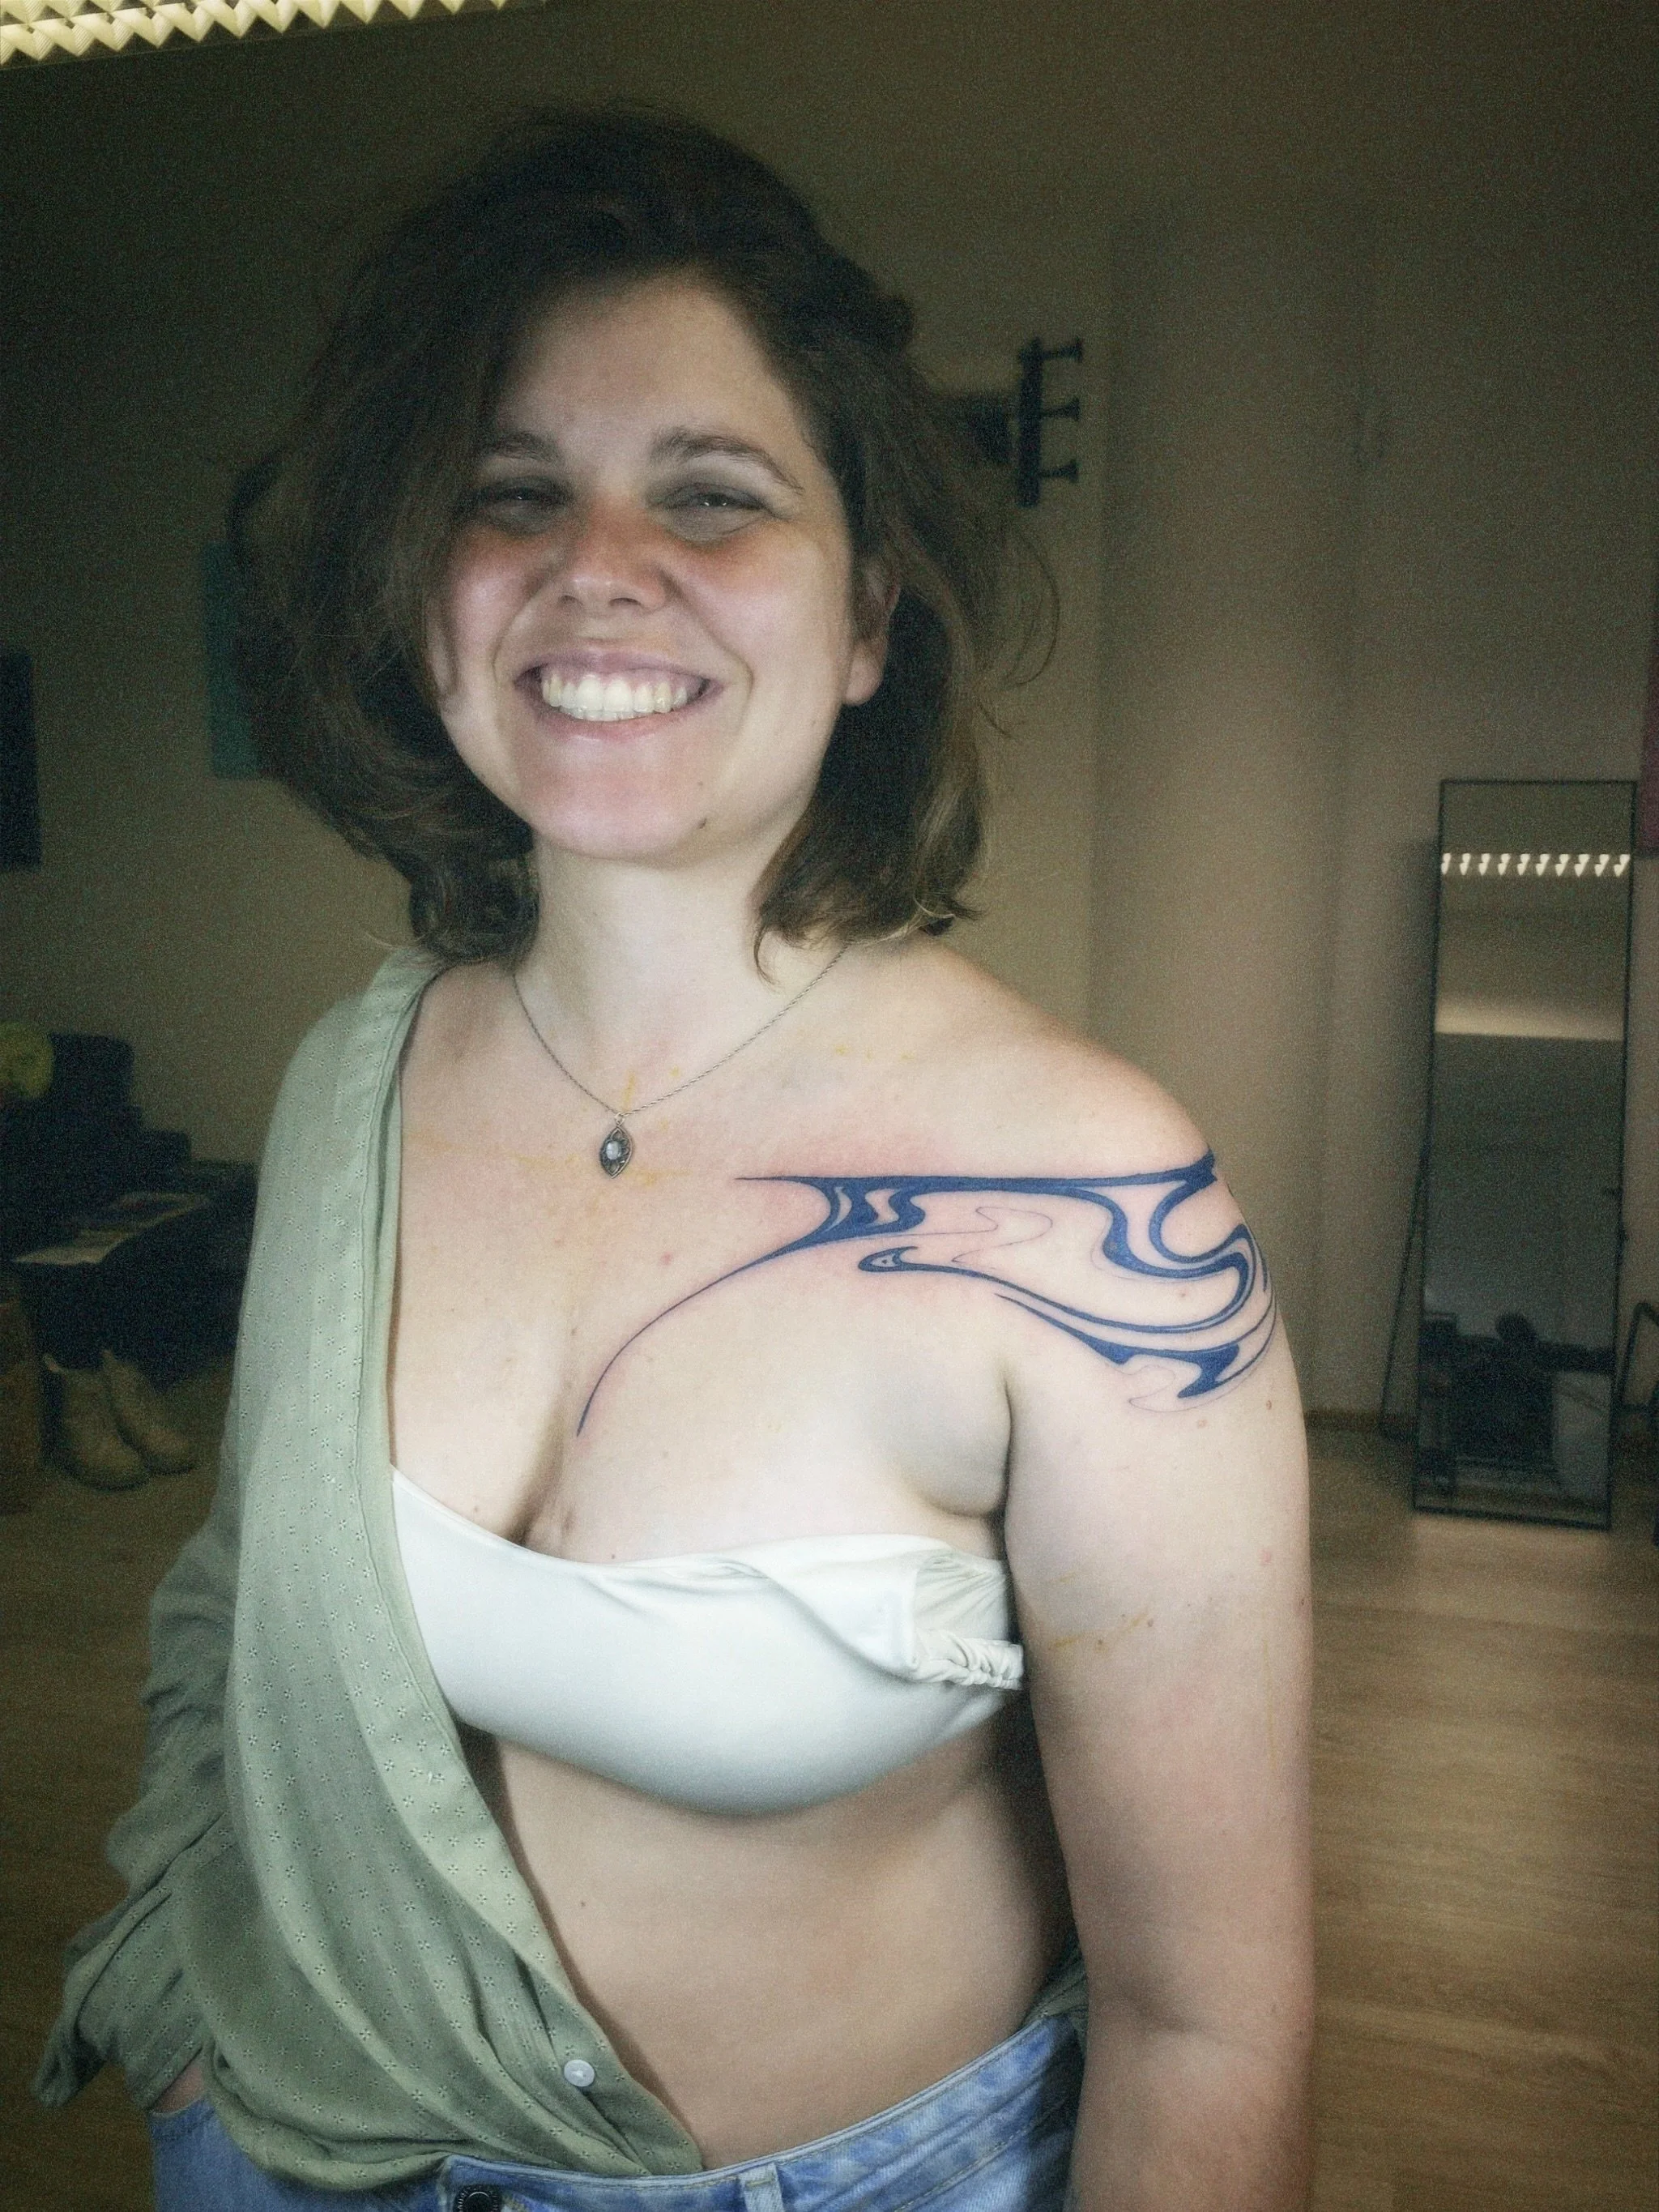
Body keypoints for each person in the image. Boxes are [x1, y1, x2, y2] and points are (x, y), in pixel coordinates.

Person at [37, 108, 1313, 2212]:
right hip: (297, 2142)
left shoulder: (1088, 1198)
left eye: (712, 496)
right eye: (509, 496)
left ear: (874, 614)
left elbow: (1213, 2025)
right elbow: (246, 1611)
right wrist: (192, 2035)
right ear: (420, 594)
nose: (595, 567)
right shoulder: (349, 1080)